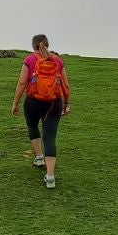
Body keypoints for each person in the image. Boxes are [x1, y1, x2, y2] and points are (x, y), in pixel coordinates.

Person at [11, 34, 71, 188]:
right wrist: (66, 103)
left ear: (33, 46)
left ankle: (39, 157)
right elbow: (65, 85)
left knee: (32, 126)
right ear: (47, 44)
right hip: (54, 103)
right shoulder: (58, 61)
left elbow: (22, 82)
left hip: (32, 101)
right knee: (49, 137)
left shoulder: (29, 60)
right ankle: (50, 177)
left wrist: (15, 103)